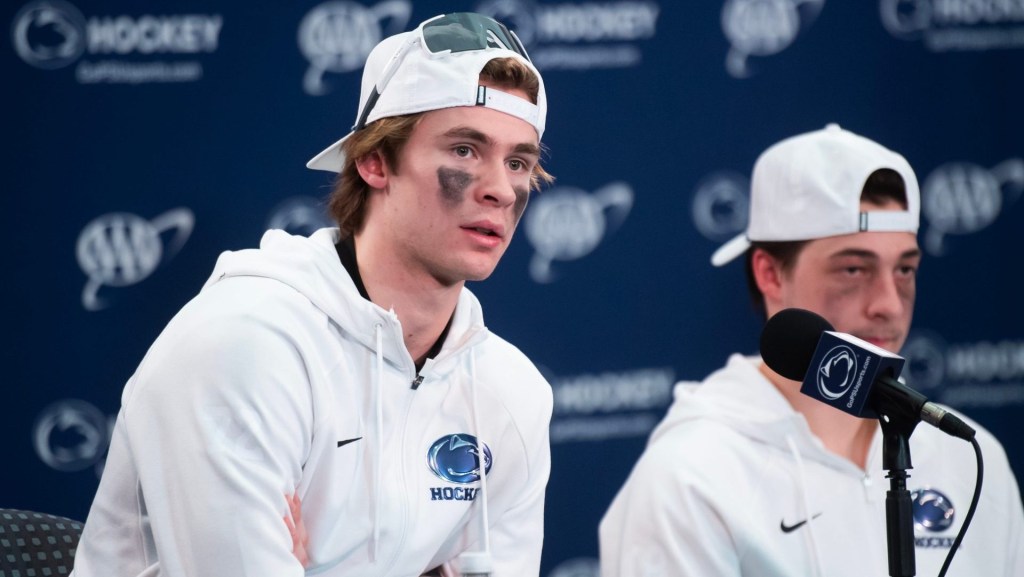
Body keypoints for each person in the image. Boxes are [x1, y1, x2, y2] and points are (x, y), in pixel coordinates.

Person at [73, 12, 554, 577]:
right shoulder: (242, 345)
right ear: (374, 161)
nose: (500, 189)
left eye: (518, 161)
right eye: (465, 151)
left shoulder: (511, 391)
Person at [598, 124, 1024, 576]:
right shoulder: (692, 476)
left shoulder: (969, 458)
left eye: (904, 269)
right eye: (854, 269)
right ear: (770, 275)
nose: (888, 303)